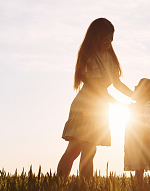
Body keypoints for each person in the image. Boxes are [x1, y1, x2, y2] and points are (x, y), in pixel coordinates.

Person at [57, 18, 133, 179]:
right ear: (96, 36)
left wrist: (135, 96)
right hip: (86, 106)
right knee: (79, 149)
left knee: (84, 149)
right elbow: (97, 88)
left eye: (111, 39)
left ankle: (79, 186)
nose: (109, 42)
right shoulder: (90, 56)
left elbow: (116, 83)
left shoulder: (109, 58)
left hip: (99, 107)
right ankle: (65, 184)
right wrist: (121, 104)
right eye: (106, 38)